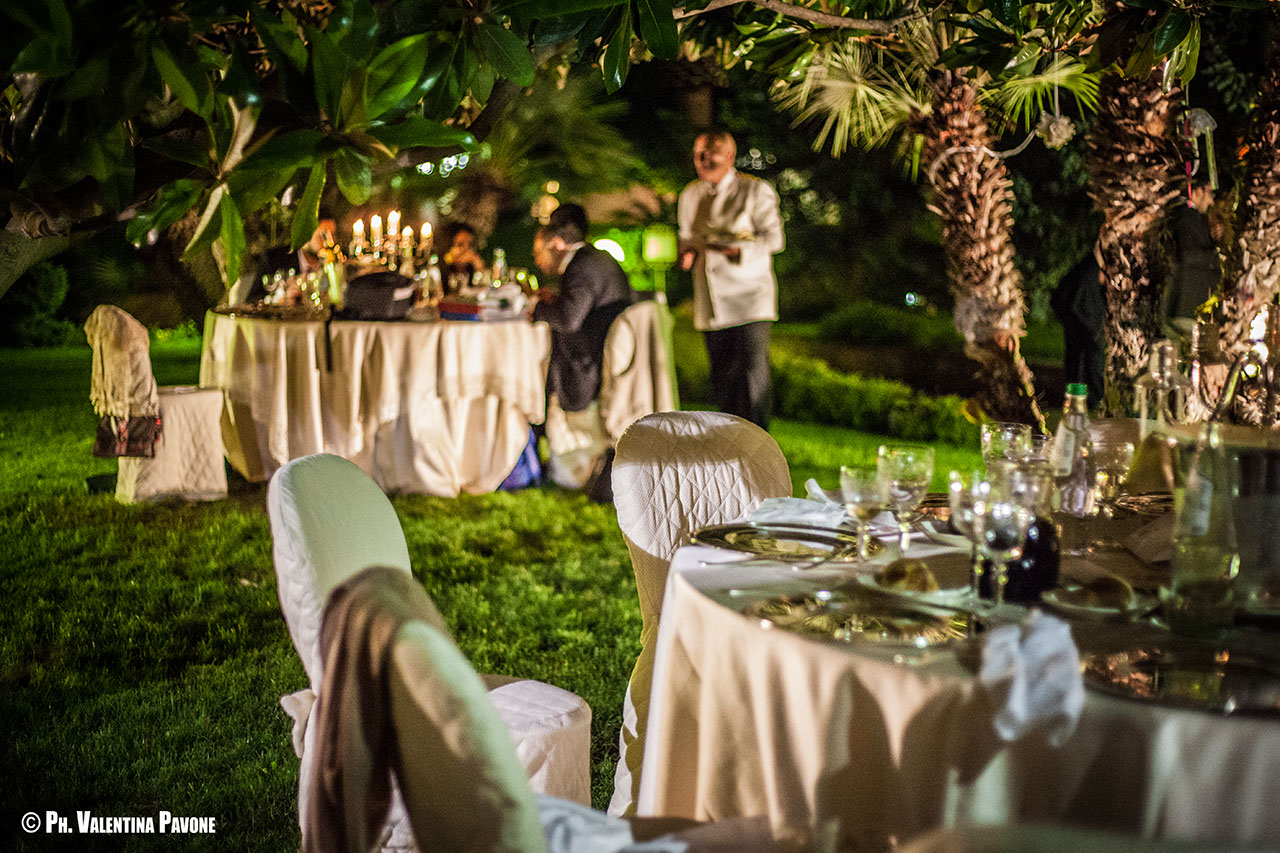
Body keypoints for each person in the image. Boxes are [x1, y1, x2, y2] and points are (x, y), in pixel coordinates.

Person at [677, 129, 784, 429]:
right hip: (711, 301)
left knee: (750, 377)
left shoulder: (754, 190)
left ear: (728, 155)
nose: (701, 160)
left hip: (749, 299)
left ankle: (759, 443)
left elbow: (774, 240)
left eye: (709, 154)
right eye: (697, 154)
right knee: (723, 378)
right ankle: (728, 441)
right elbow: (686, 238)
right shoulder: (690, 194)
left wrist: (737, 250)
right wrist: (686, 254)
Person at [531, 216, 636, 414]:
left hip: (588, 365)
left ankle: (541, 414)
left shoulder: (581, 266)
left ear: (556, 244)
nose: (537, 261)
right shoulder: (595, 258)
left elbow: (568, 320)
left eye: (538, 252)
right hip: (605, 352)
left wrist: (535, 309)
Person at [1050, 242, 1107, 409]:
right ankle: (1091, 398)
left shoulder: (1088, 266)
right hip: (1082, 323)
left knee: (1077, 361)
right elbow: (1077, 299)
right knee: (1087, 360)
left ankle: (1081, 397)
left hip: (1078, 322)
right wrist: (1088, 323)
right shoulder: (1089, 269)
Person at [1164, 182, 1223, 336]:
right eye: (1210, 194)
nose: (1211, 201)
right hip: (1187, 307)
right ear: (1198, 191)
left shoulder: (1194, 217)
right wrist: (1217, 258)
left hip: (1192, 308)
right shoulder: (1187, 217)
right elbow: (1188, 255)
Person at [438, 221, 485, 293]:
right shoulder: (438, 270)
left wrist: (479, 268)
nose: (466, 249)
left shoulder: (469, 267)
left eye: (469, 244)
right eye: (460, 245)